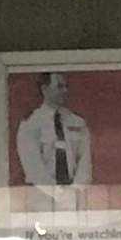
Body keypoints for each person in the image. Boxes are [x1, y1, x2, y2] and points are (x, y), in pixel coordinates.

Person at [13, 67, 91, 203]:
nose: (65, 91)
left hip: (74, 197)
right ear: (45, 89)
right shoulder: (31, 124)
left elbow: (85, 160)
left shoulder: (77, 123)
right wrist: (57, 193)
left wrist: (74, 190)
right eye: (59, 86)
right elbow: (33, 166)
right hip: (41, 195)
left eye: (66, 86)